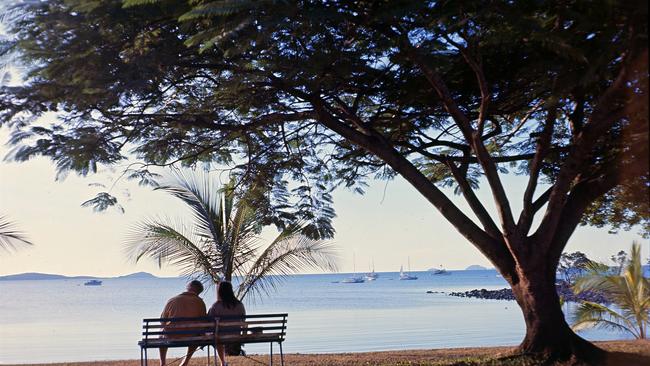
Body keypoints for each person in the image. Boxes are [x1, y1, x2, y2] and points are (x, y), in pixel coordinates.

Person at [159, 280, 207, 366]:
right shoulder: (200, 302)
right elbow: (203, 322)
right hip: (191, 337)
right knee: (197, 334)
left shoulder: (172, 300)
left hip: (171, 336)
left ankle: (162, 363)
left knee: (161, 335)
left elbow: (163, 320)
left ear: (188, 287)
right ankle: (185, 362)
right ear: (199, 292)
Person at [208, 281, 246, 366]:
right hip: (236, 335)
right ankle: (224, 360)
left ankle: (222, 362)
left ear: (220, 291)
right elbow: (243, 319)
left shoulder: (216, 306)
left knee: (216, 337)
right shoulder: (239, 305)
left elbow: (210, 322)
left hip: (220, 337)